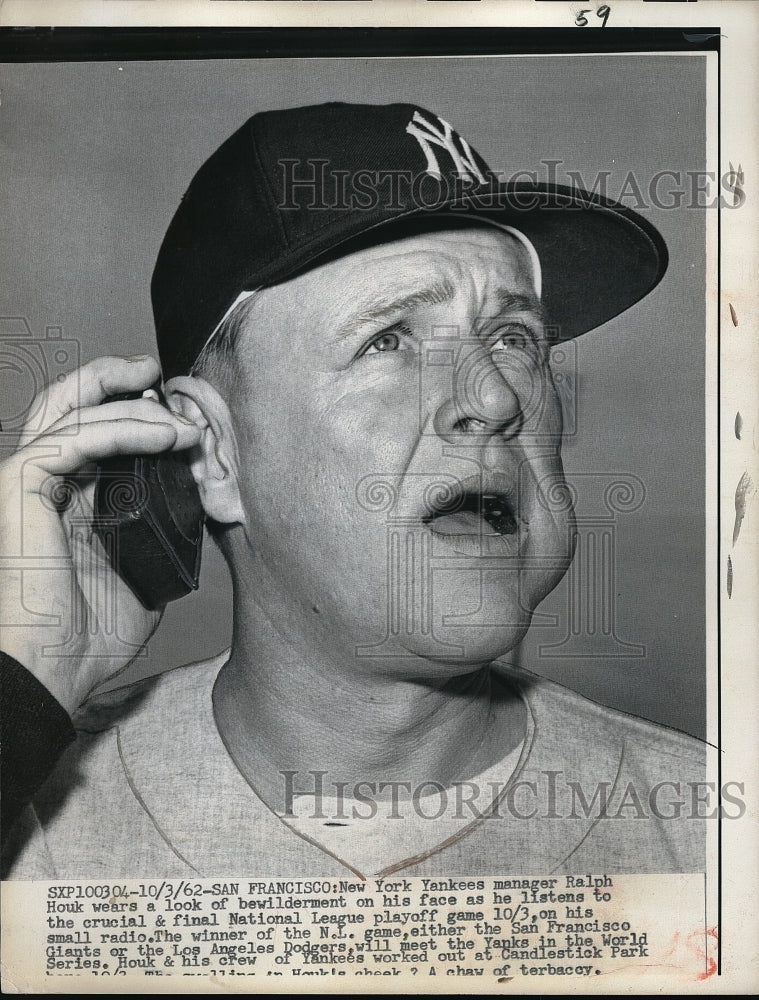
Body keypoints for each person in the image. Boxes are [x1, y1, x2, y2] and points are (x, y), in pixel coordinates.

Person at [1, 102, 705, 879]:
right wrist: (24, 685)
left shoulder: (708, 836)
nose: (498, 400)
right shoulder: (26, 810)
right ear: (214, 456)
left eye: (512, 338)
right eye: (389, 340)